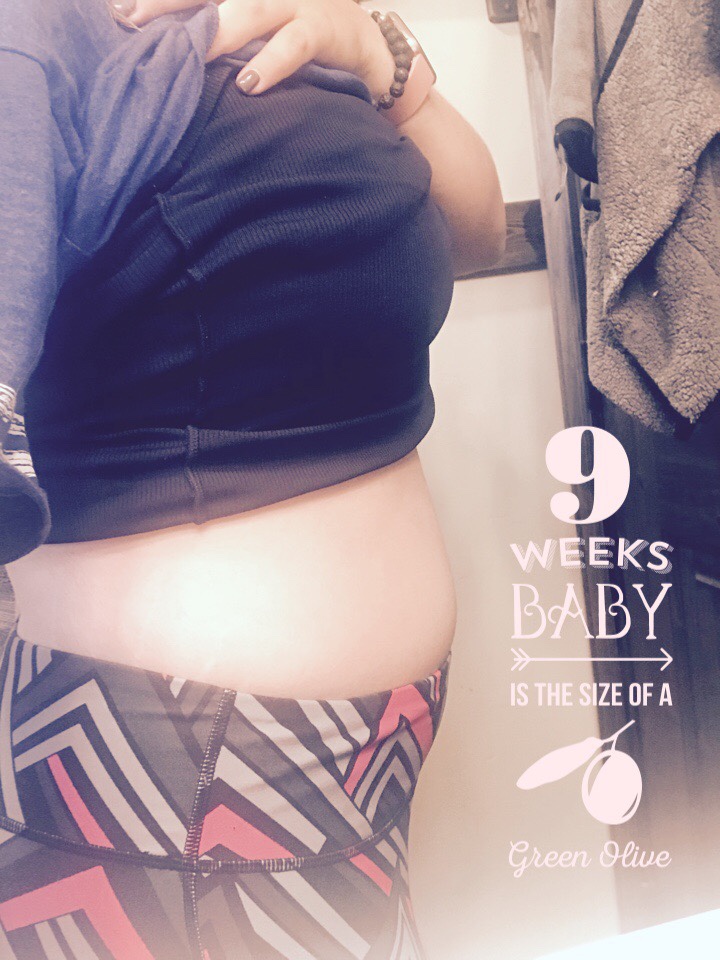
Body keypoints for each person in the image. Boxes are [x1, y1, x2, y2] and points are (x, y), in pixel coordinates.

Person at [0, 0, 505, 956]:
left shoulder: (288, 26)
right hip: (160, 803)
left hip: (353, 790)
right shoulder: (34, 39)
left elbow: (476, 230)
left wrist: (379, 54)